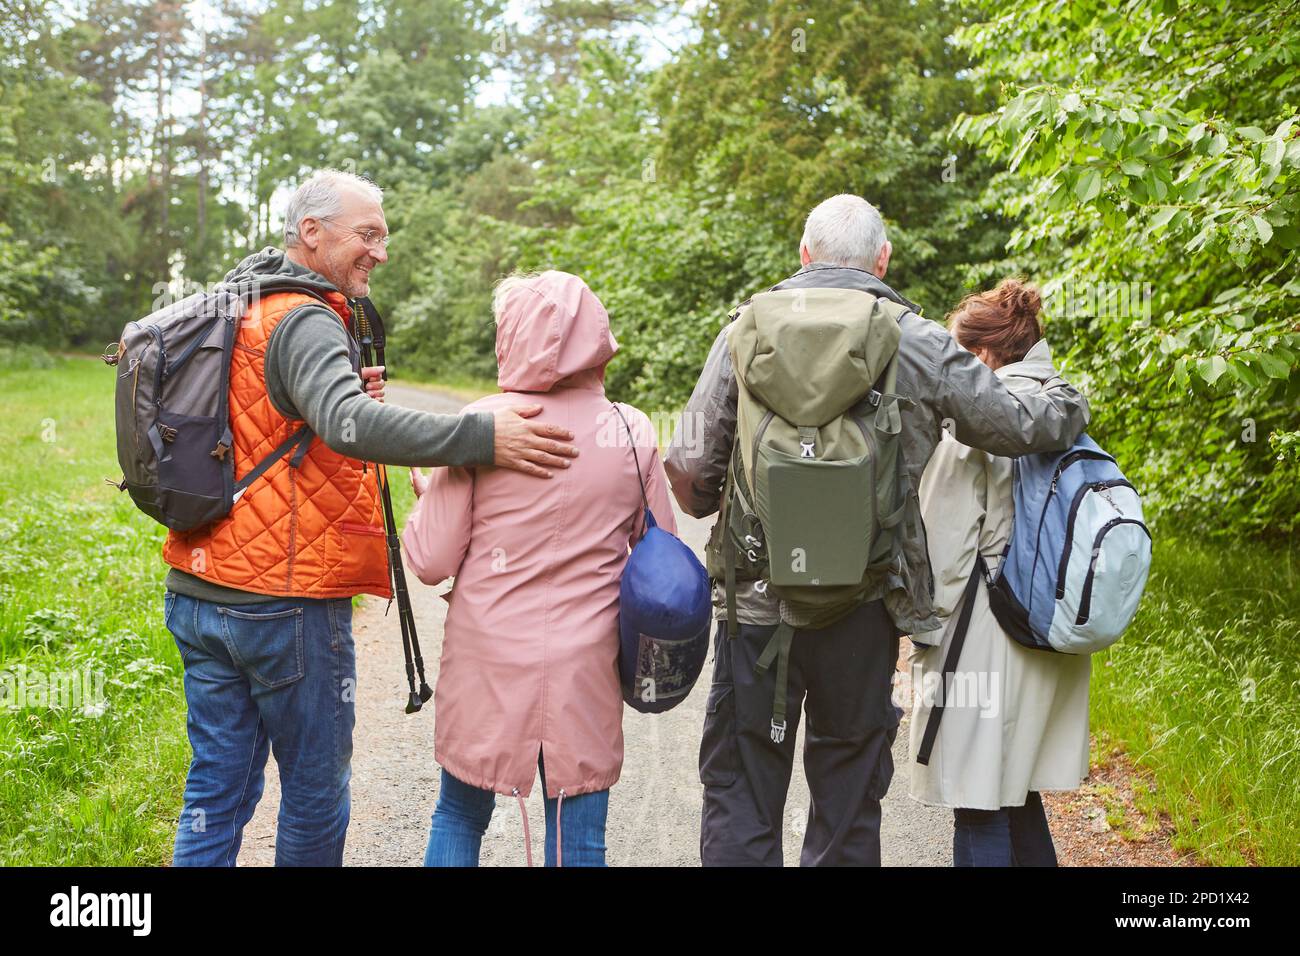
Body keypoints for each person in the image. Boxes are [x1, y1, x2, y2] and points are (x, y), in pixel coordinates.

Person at [162, 170, 579, 867]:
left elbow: (266, 415)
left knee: (216, 788)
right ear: (311, 233)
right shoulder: (304, 316)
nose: (380, 251)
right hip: (282, 603)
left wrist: (340, 395)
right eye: (368, 234)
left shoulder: (243, 305)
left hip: (201, 589)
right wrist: (483, 437)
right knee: (314, 791)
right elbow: (350, 425)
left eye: (382, 235)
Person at [666, 194, 1092, 866]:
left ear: (803, 254)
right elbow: (1013, 425)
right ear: (883, 259)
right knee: (846, 801)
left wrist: (727, 508)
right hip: (862, 611)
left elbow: (690, 467)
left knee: (742, 792)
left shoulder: (744, 330)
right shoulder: (915, 339)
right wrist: (1067, 398)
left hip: (755, 608)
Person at [402, 271, 676, 867]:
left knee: (457, 816)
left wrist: (429, 498)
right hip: (587, 663)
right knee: (578, 841)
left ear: (513, 335)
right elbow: (663, 558)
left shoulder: (481, 424)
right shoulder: (630, 430)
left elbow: (429, 561)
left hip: (488, 656)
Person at [909, 278, 1089, 867]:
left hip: (983, 641)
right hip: (1049, 629)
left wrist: (916, 632)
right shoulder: (1061, 407)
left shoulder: (980, 420)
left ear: (984, 355)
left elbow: (943, 545)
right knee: (1017, 792)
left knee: (979, 800)